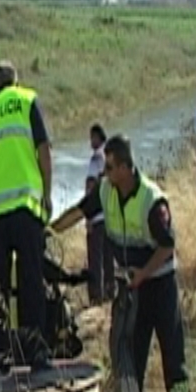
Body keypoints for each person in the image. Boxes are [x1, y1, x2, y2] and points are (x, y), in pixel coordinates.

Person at [50, 134, 196, 392]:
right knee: (130, 354)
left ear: (126, 168)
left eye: (111, 166)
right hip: (134, 289)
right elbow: (79, 212)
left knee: (172, 356)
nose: (105, 172)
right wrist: (48, 231)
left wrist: (141, 275)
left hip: (160, 286)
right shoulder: (106, 191)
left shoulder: (151, 200)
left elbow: (167, 247)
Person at [0, 60, 53, 345]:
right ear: (16, 83)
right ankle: (34, 350)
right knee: (31, 280)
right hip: (25, 208)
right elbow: (43, 150)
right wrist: (47, 194)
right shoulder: (26, 101)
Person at [85, 123, 115, 305]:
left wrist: (87, 216)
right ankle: (111, 293)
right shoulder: (111, 157)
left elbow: (90, 187)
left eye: (91, 138)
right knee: (109, 257)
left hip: (96, 216)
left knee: (95, 259)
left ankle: (96, 297)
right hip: (110, 216)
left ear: (98, 137)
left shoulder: (96, 159)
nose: (90, 142)